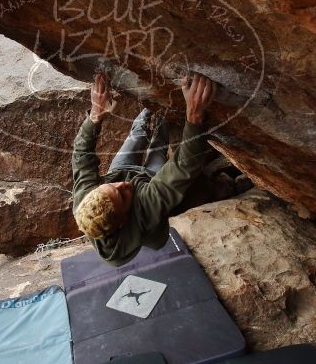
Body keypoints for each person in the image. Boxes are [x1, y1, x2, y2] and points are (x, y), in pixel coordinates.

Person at [72, 71, 216, 266]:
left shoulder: (85, 200)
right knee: (159, 147)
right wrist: (194, 115)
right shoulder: (146, 213)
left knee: (137, 133)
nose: (123, 185)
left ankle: (152, 107)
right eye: (121, 195)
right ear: (123, 220)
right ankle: (166, 114)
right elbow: (184, 166)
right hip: (147, 184)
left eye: (112, 186)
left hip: (122, 170)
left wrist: (96, 114)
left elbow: (81, 155)